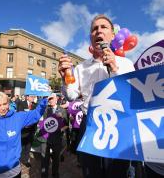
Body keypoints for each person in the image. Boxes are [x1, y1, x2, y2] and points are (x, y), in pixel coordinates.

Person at [58, 14, 140, 178]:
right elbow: (71, 96)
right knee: (91, 172)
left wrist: (115, 69)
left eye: (103, 27)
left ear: (112, 35)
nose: (98, 31)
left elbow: (133, 94)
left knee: (118, 173)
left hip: (119, 123)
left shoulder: (126, 64)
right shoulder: (81, 67)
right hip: (90, 125)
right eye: (94, 29)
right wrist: (65, 80)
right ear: (90, 37)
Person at [0, 92, 47, 177]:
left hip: (13, 171)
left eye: (5, 104)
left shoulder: (17, 117)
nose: (3, 108)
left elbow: (36, 113)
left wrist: (45, 99)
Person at [41, 93, 68, 178]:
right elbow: (43, 123)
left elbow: (67, 124)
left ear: (56, 99)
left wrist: (60, 129)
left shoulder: (62, 110)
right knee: (45, 158)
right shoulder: (46, 110)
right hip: (46, 138)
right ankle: (44, 175)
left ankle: (55, 174)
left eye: (52, 99)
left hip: (57, 138)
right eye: (49, 99)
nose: (51, 100)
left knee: (56, 158)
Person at [17, 95, 37, 168]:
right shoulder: (21, 103)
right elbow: (19, 115)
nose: (33, 98)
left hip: (31, 129)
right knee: (21, 146)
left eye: (33, 97)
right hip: (23, 130)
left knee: (28, 146)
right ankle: (18, 160)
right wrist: (25, 124)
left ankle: (26, 160)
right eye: (32, 97)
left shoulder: (35, 105)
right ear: (27, 97)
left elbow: (36, 116)